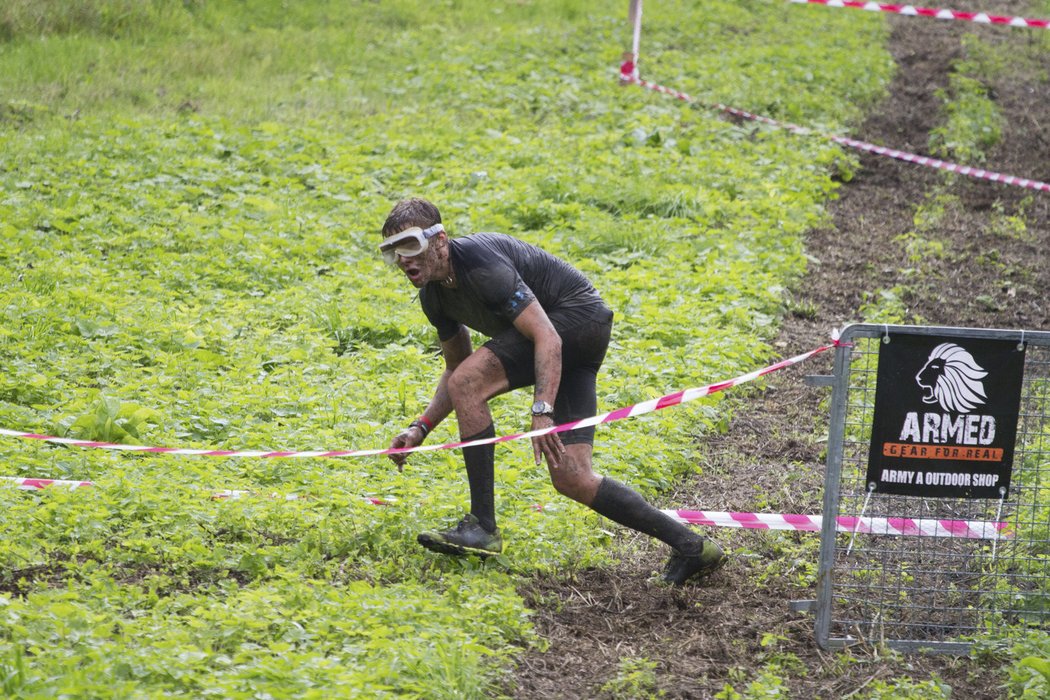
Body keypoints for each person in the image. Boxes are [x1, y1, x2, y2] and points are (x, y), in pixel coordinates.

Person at [380, 197, 724, 585]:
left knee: (472, 382)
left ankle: (482, 526)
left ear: (439, 239)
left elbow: (546, 336)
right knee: (572, 477)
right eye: (392, 251)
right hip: (571, 342)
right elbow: (457, 370)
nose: (403, 259)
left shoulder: (478, 263)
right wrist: (420, 427)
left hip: (575, 322)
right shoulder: (434, 296)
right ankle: (694, 547)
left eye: (410, 245)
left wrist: (542, 409)